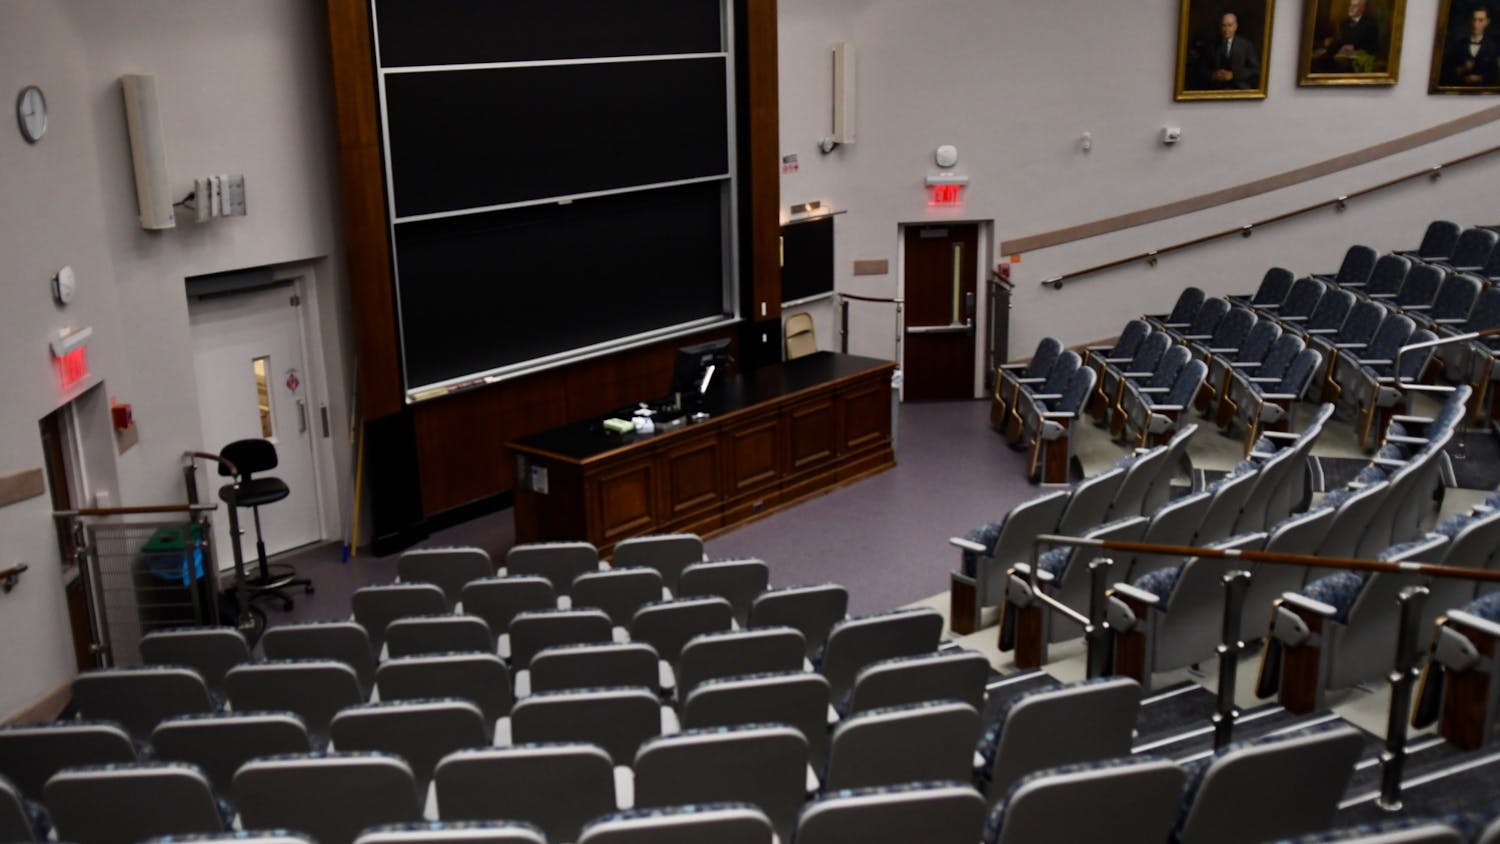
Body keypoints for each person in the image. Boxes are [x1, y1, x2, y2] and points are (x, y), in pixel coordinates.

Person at [1199, 12, 1261, 89]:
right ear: (1220, 27)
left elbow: (1255, 70)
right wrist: (1213, 75)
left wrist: (1233, 75)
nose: (1226, 29)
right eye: (1224, 26)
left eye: (1230, 25)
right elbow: (1202, 69)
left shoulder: (1246, 45)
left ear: (1236, 26)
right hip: (1216, 89)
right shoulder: (1211, 45)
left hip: (1239, 89)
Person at [1442, 6, 1500, 86]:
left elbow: (1495, 75)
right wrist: (1462, 69)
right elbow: (1445, 73)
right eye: (1474, 19)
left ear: (1487, 22)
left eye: (1480, 20)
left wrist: (1480, 79)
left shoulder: (1493, 47)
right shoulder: (1459, 45)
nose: (1475, 24)